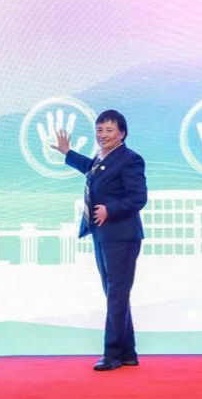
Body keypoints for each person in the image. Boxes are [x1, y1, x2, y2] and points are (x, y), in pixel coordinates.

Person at [53, 109, 147, 371]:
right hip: (102, 234)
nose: (103, 135)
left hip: (122, 236)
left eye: (109, 130)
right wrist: (68, 153)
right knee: (115, 294)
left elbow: (138, 198)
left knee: (116, 294)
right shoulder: (102, 158)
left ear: (122, 134)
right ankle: (128, 353)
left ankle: (112, 354)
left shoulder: (130, 159)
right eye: (99, 130)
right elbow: (91, 170)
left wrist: (110, 209)